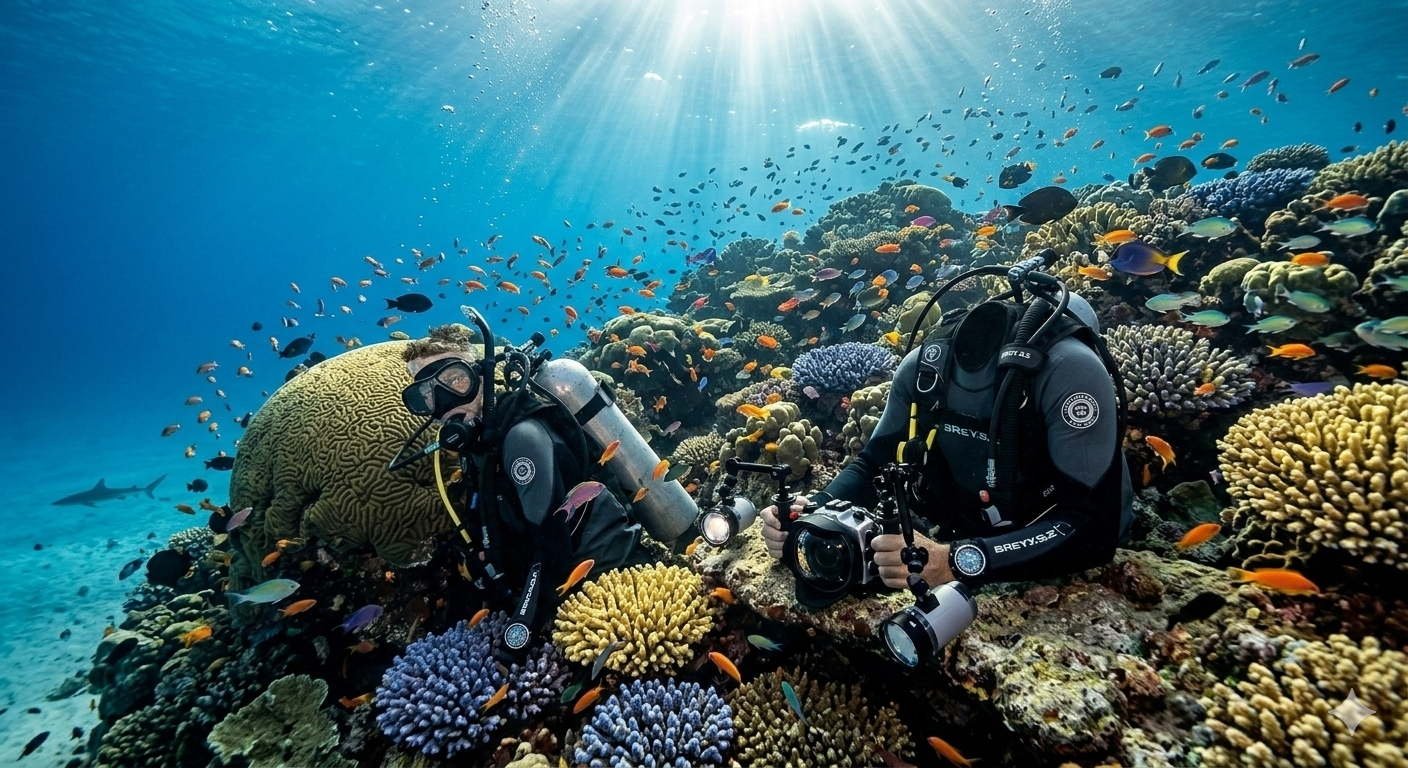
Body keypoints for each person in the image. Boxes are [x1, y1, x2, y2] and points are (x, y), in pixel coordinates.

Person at [762, 293, 1132, 590]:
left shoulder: (1072, 371)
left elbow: (1093, 531)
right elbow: (872, 464)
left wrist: (952, 561)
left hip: (1049, 544)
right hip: (956, 531)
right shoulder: (923, 371)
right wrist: (811, 509)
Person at [398, 324, 652, 654]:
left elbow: (551, 543)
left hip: (610, 582)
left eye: (456, 380)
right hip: (564, 586)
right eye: (427, 394)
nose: (445, 402)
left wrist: (518, 635)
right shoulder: (480, 445)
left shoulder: (521, 438)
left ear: (481, 379)